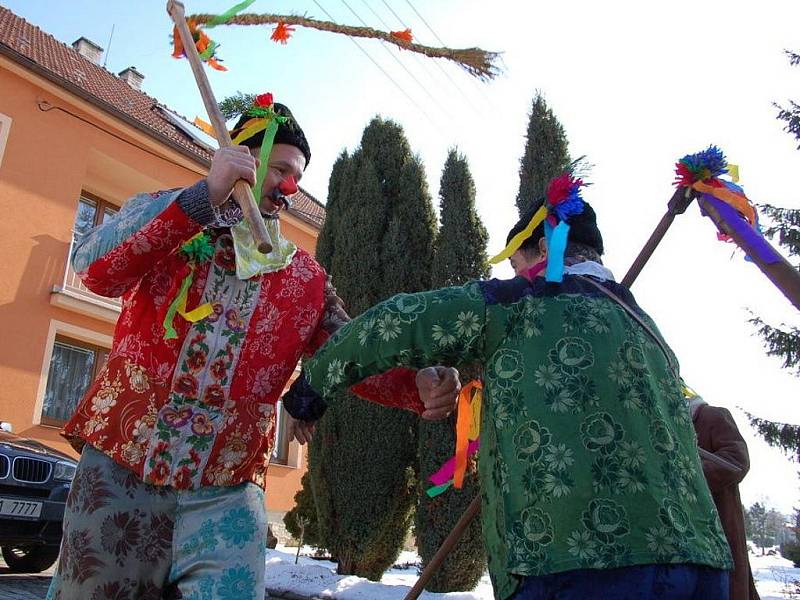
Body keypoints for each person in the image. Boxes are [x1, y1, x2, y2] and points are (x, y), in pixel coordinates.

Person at [47, 99, 459, 600]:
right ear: (240, 159)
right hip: (121, 471)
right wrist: (203, 197)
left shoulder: (303, 279)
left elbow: (347, 354)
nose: (289, 188)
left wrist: (414, 385)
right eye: (280, 170)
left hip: (228, 488)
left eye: (297, 177)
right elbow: (94, 268)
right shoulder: (172, 221)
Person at [292, 173, 734, 600]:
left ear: (546, 248)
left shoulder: (518, 304)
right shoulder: (649, 331)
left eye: (516, 262)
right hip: (701, 564)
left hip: (571, 562)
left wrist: (310, 387)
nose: (514, 274)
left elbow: (395, 323)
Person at [687, 389, 761, 600]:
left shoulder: (713, 416)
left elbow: (735, 461)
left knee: (729, 586)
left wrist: (688, 475)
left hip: (719, 519)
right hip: (689, 527)